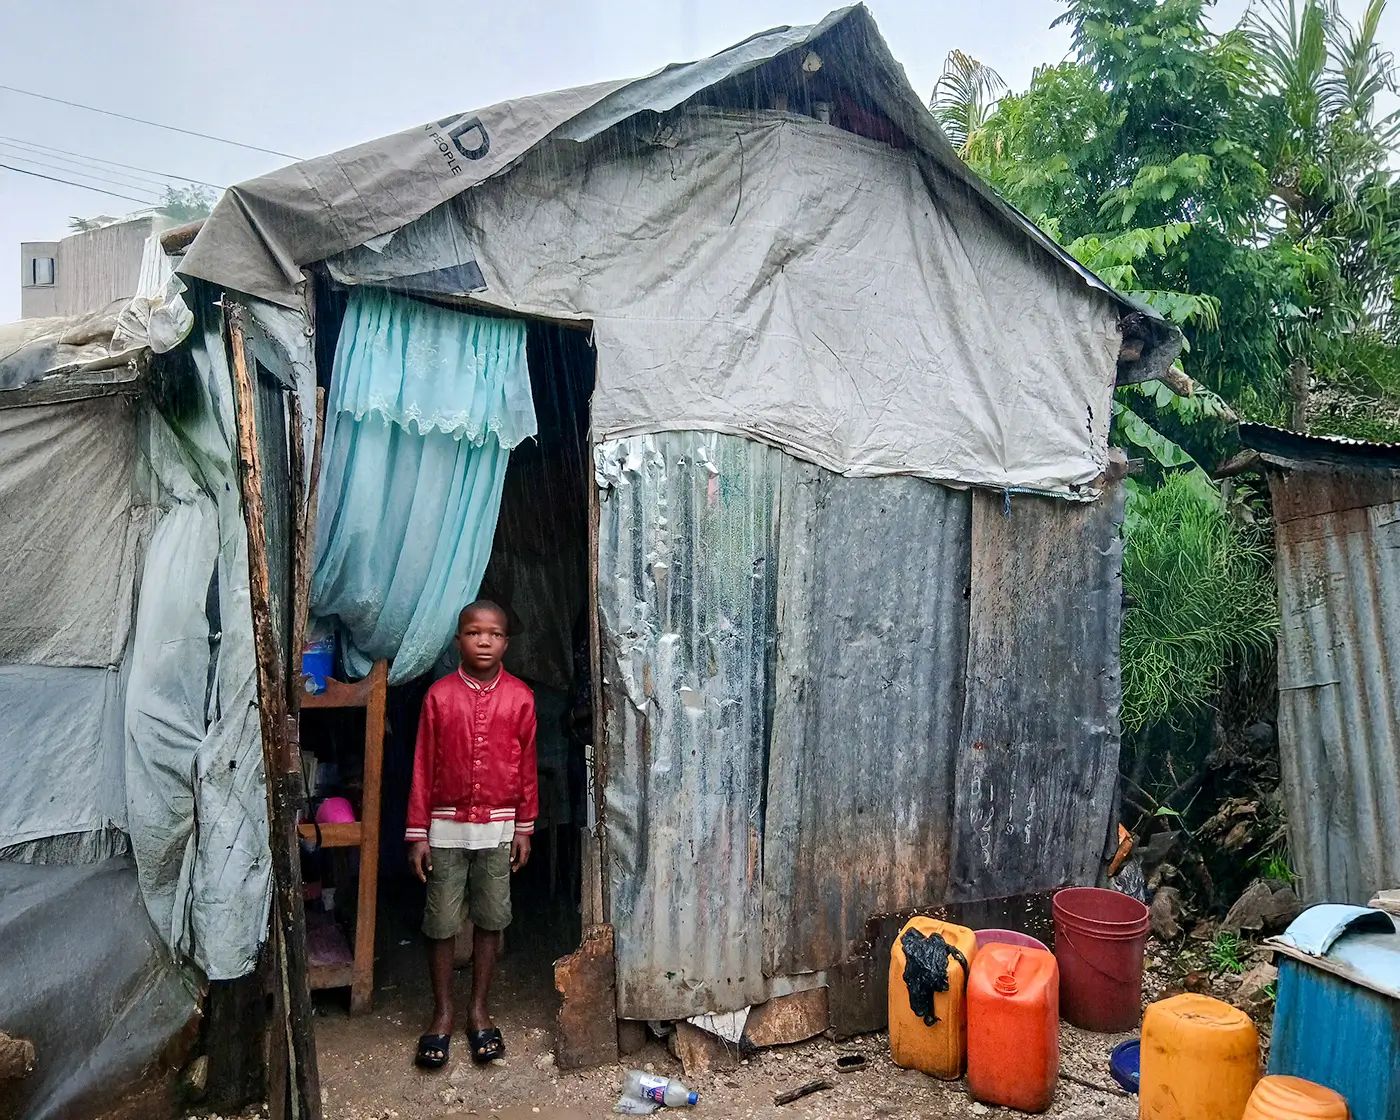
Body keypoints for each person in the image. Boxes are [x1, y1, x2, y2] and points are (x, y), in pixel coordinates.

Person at [406, 600, 537, 1069]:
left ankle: (478, 1012)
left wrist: (525, 825)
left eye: (494, 634)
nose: (484, 641)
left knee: (491, 919)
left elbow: (526, 767)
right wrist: (417, 832)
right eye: (473, 632)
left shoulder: (521, 697)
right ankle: (441, 1014)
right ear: (458, 639)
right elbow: (423, 765)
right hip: (444, 828)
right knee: (441, 923)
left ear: (506, 641)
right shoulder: (439, 697)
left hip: (500, 828)